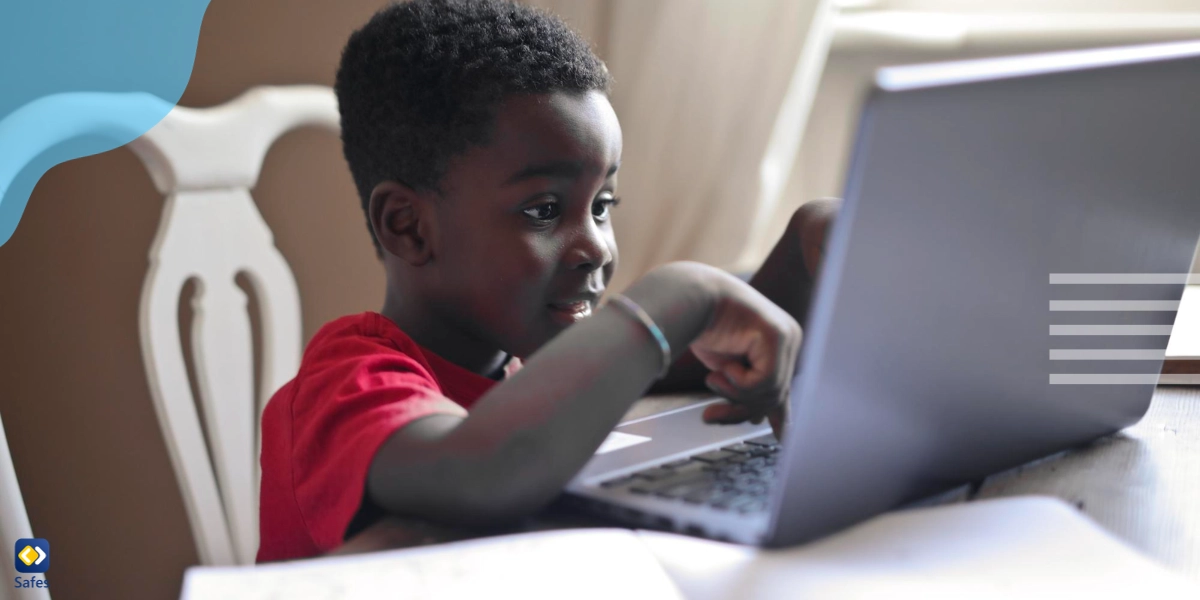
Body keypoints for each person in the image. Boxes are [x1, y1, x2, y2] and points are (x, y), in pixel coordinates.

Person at [256, 0, 840, 562]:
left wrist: (802, 254)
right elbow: (482, 470)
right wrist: (683, 290)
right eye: (543, 210)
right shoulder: (347, 386)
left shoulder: (525, 356)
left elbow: (685, 358)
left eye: (603, 204)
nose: (595, 247)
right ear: (408, 227)